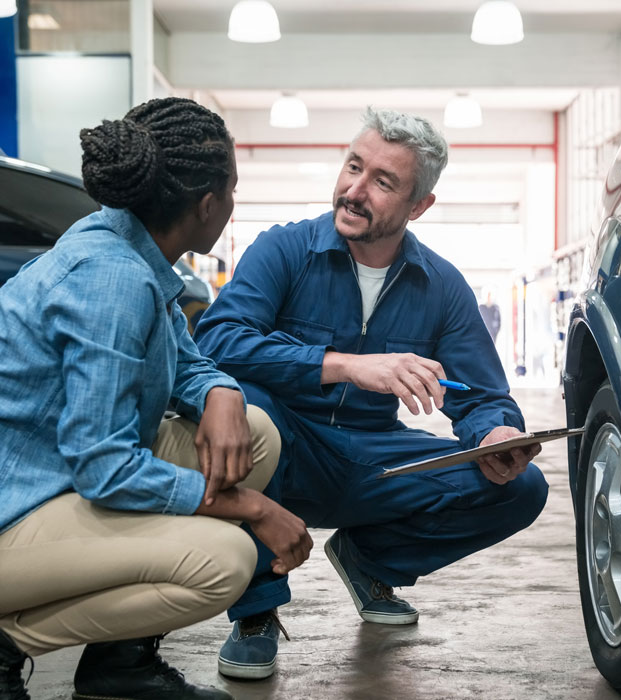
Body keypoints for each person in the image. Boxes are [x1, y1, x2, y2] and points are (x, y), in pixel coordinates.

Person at [194, 106, 548, 680]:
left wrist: (496, 433)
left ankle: (367, 558)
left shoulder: (442, 286)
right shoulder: (283, 251)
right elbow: (218, 342)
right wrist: (349, 367)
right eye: (353, 167)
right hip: (287, 446)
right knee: (250, 410)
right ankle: (256, 613)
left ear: (418, 206)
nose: (355, 191)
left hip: (372, 459)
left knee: (522, 487)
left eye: (383, 182)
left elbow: (482, 395)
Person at [0, 97, 312, 700]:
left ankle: (120, 666)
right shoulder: (113, 279)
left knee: (254, 431)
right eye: (233, 190)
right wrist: (252, 508)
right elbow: (105, 468)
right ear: (206, 206)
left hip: (51, 476)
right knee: (222, 560)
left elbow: (181, 355)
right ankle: (5, 645)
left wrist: (220, 389)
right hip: (16, 509)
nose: (232, 203)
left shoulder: (124, 242)